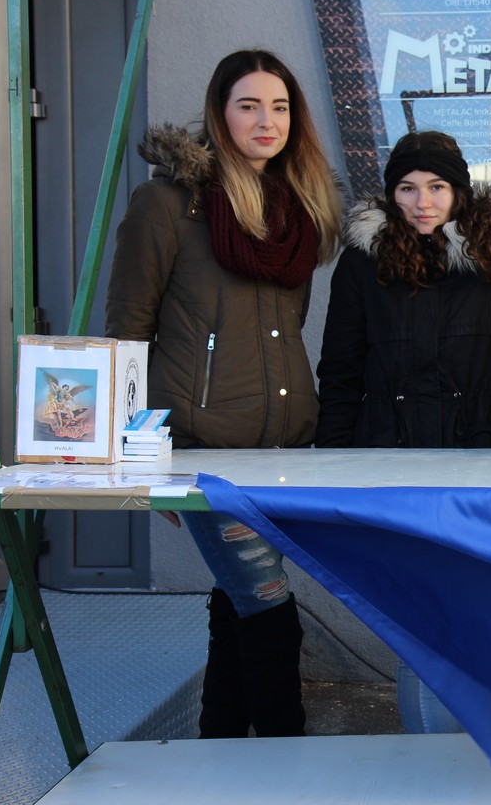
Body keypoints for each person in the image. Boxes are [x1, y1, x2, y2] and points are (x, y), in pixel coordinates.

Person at [105, 49, 343, 738]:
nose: (266, 121)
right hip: (205, 449)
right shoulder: (167, 206)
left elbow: (284, 330)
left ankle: (218, 746)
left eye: (280, 107)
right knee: (269, 608)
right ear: (219, 112)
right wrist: (142, 461)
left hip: (283, 449)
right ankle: (282, 756)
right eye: (248, 105)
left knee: (238, 594)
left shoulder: (294, 213)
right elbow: (128, 334)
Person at [314, 130, 491, 733]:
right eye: (408, 188)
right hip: (386, 468)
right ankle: (432, 760)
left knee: (475, 609)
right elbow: (339, 371)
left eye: (438, 187)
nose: (423, 201)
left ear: (459, 193)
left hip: (478, 466)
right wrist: (336, 462)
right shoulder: (362, 266)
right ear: (391, 194)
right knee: (418, 618)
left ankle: (477, 746)